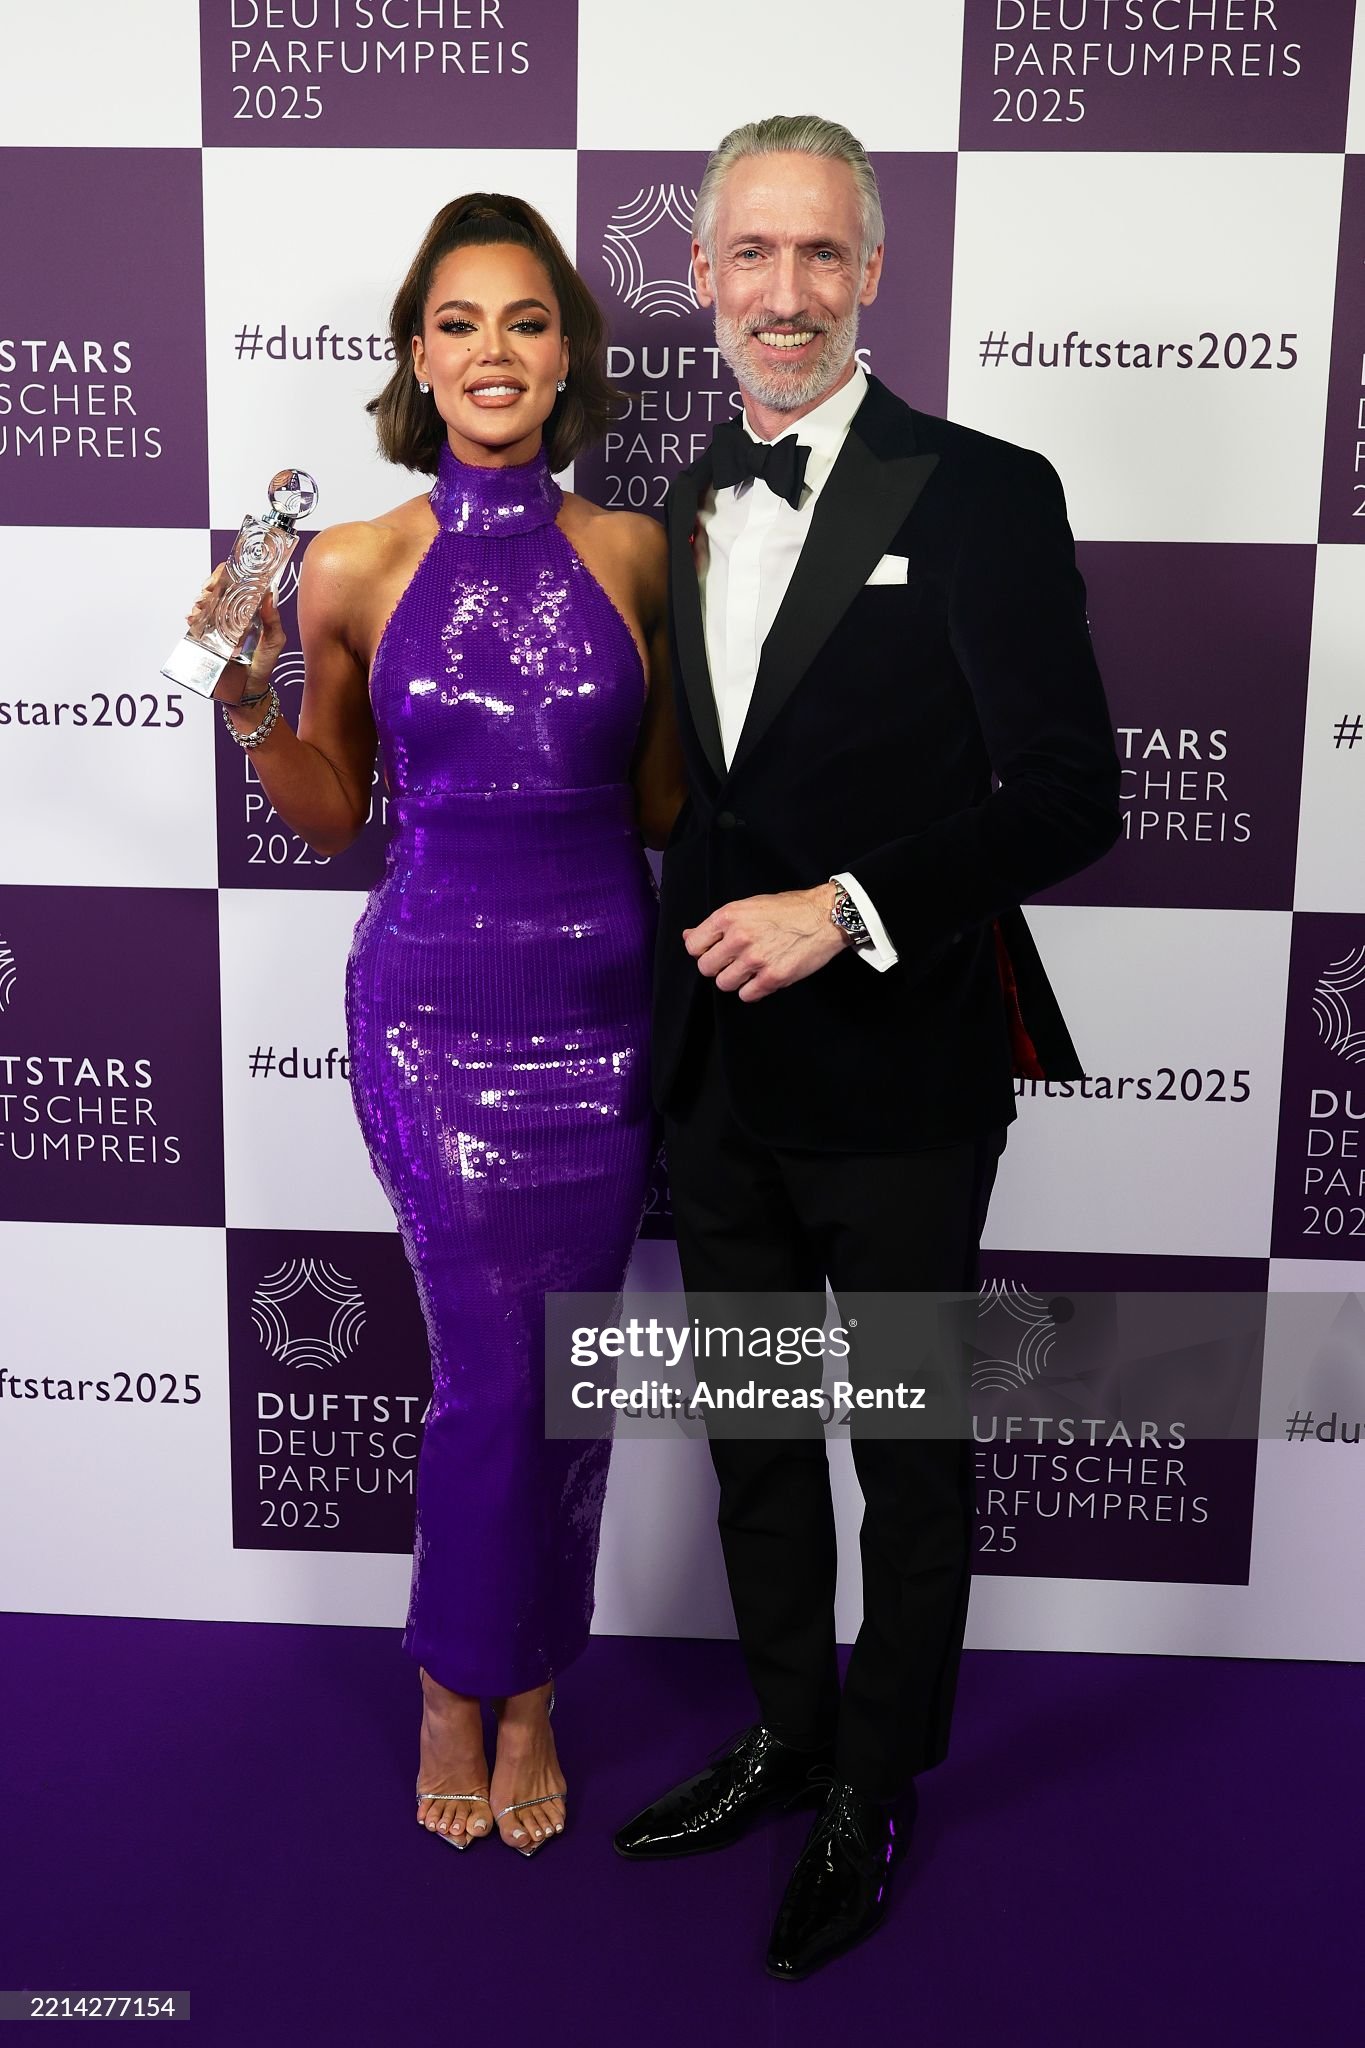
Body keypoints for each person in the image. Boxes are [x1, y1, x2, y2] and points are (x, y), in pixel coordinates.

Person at [612, 115, 1122, 1977]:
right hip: (718, 1082)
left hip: (902, 1077)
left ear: (873, 275)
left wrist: (844, 906)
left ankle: (874, 1783)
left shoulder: (981, 490)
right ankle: (786, 1735)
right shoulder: (673, 503)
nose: (785, 291)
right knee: (755, 1437)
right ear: (700, 278)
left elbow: (1070, 795)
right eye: (750, 254)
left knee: (904, 1454)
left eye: (820, 253)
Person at [191, 194, 683, 1857]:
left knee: (562, 1376)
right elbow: (332, 811)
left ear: (566, 355)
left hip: (605, 1014)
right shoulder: (347, 562)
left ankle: (529, 1691)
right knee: (489, 1372)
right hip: (429, 1015)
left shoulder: (635, 555)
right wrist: (248, 701)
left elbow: (665, 803)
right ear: (417, 355)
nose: (493, 351)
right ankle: (454, 1682)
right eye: (459, 323)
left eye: (525, 321)